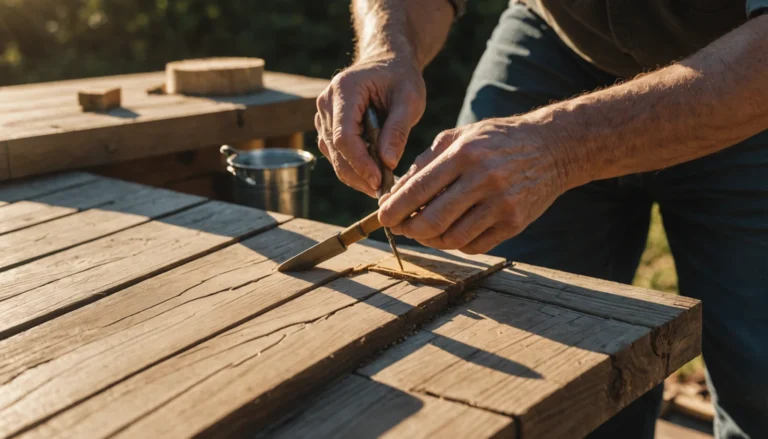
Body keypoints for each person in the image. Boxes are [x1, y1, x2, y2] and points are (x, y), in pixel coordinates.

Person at [314, 0, 768, 437]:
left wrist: (558, 148)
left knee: (760, 377)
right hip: (558, 42)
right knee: (510, 340)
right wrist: (387, 46)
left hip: (747, 71)